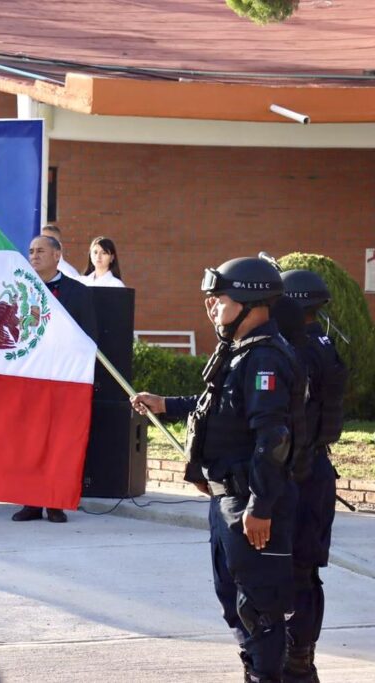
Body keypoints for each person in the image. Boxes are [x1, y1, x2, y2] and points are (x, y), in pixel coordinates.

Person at [131, 257, 304, 683]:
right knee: (233, 600)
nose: (211, 309)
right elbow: (219, 407)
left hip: (253, 504)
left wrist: (260, 505)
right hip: (228, 498)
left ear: (249, 302)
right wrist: (167, 405)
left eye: (219, 300)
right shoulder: (239, 353)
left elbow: (274, 438)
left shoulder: (265, 360)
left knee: (259, 607)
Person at [277, 270, 346, 683]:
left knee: (292, 572)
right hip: (319, 467)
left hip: (300, 469)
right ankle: (302, 658)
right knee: (306, 572)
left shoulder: (298, 349)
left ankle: (295, 661)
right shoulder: (326, 343)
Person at [12, 234, 97, 524]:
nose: (33, 256)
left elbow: (88, 338)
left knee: (59, 442)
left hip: (63, 379)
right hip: (28, 379)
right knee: (29, 441)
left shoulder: (78, 292)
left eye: (40, 251)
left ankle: (55, 502)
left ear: (57, 256)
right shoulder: (22, 288)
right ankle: (30, 502)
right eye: (31, 250)